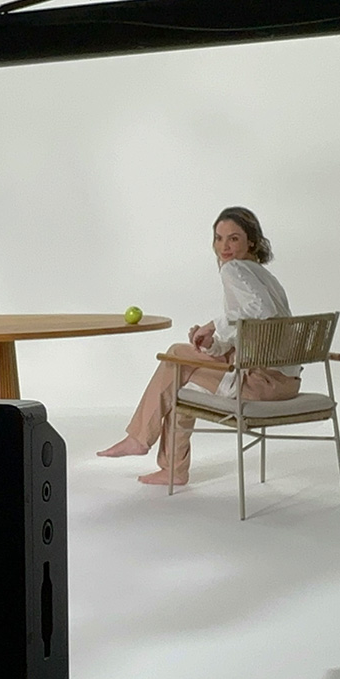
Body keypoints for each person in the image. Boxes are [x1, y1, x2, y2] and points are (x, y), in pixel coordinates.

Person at [97, 207, 302, 485]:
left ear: (251, 242)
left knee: (177, 366)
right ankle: (166, 464)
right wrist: (212, 345)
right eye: (219, 238)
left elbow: (262, 311)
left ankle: (146, 444)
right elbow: (251, 329)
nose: (224, 247)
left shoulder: (234, 269)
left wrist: (212, 325)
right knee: (179, 364)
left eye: (233, 238)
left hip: (261, 382)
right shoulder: (265, 276)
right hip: (286, 383)